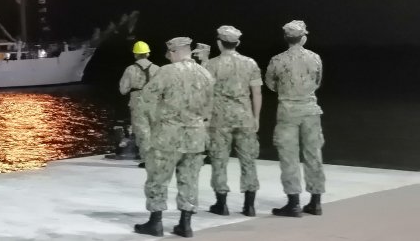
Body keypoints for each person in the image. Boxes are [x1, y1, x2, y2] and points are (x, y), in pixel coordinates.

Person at [134, 36, 215, 238]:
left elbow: (146, 99)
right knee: (190, 180)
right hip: (196, 135)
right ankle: (185, 225)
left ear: (177, 52)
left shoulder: (166, 72)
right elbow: (209, 107)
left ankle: (156, 223)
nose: (168, 56)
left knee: (158, 178)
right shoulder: (206, 74)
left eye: (169, 53)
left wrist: (154, 123)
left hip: (168, 135)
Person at [266, 19, 325, 217]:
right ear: (303, 38)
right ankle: (315, 202)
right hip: (310, 109)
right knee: (313, 155)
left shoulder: (277, 60)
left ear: (286, 38)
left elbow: (271, 84)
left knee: (289, 156)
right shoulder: (315, 58)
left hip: (288, 111)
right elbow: (317, 82)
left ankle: (293, 203)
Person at [202, 25, 262, 217]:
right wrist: (256, 117)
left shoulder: (211, 65)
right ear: (237, 43)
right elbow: (257, 93)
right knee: (248, 161)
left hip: (219, 119)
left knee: (219, 161)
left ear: (219, 43)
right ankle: (249, 206)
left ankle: (222, 204)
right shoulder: (250, 63)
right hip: (244, 117)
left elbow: (206, 94)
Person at [119, 40, 160, 166]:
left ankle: (146, 159)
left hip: (138, 102)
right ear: (148, 54)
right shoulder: (157, 69)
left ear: (135, 55)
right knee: (156, 129)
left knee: (142, 131)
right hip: (154, 101)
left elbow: (123, 90)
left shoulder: (130, 70)